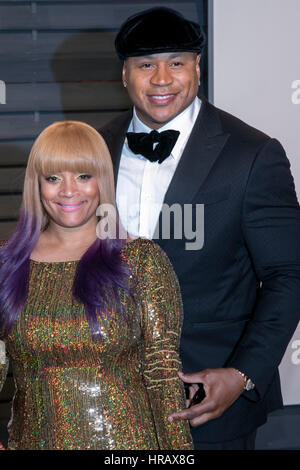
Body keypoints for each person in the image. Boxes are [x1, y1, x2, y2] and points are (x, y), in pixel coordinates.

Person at [100, 7, 300, 450]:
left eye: (176, 63)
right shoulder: (95, 148)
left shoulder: (252, 155)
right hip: (105, 403)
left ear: (198, 68)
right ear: (124, 75)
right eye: (145, 65)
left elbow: (290, 275)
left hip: (207, 403)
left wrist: (241, 374)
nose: (161, 79)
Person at [0, 120, 193, 450]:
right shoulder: (7, 264)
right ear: (37, 185)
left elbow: (163, 378)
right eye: (53, 178)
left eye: (84, 176)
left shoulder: (141, 261)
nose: (69, 190)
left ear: (102, 180)